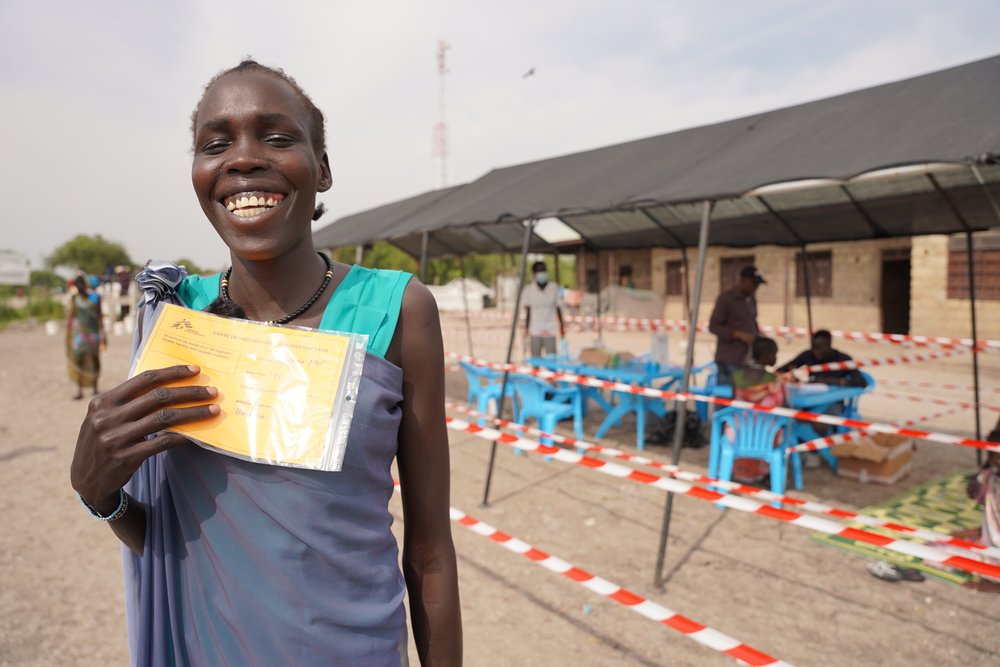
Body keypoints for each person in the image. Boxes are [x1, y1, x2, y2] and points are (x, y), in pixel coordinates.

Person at [70, 60, 461, 666]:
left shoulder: (396, 310)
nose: (244, 158)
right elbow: (176, 539)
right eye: (215, 144)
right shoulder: (177, 319)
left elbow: (430, 548)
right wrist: (99, 493)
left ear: (323, 168)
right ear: (198, 174)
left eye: (277, 137)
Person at [729, 336, 786, 484]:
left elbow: (732, 403)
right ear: (766, 355)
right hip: (766, 437)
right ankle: (768, 473)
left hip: (737, 433)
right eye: (774, 353)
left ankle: (735, 469)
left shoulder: (737, 376)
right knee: (786, 426)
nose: (775, 357)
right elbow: (782, 406)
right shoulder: (774, 380)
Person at [708, 265, 764, 386]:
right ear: (743, 280)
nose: (756, 288)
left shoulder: (751, 299)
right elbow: (713, 326)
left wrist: (759, 336)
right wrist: (737, 334)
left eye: (757, 285)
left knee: (742, 397)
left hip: (746, 358)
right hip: (729, 358)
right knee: (726, 396)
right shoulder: (726, 299)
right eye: (753, 284)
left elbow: (752, 321)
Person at [777, 329, 867, 387]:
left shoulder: (842, 359)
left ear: (829, 344)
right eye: (814, 347)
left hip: (832, 400)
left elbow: (861, 382)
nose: (816, 351)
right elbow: (784, 368)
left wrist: (832, 381)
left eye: (820, 348)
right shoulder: (808, 355)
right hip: (810, 396)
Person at [66, 274, 106, 399]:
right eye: (78, 286)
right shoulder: (74, 299)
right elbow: (72, 317)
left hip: (93, 334)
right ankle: (79, 390)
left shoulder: (95, 298)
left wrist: (103, 333)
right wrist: (69, 334)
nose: (80, 288)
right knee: (79, 360)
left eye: (82, 285)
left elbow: (99, 316)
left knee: (94, 359)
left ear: (86, 285)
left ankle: (95, 388)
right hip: (79, 335)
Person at [522, 260, 564, 356]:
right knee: (535, 360)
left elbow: (558, 309)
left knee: (552, 360)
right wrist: (526, 329)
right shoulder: (528, 290)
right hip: (535, 330)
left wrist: (562, 327)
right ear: (534, 274)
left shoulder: (554, 288)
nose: (542, 273)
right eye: (539, 271)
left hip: (550, 329)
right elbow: (528, 312)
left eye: (543, 270)